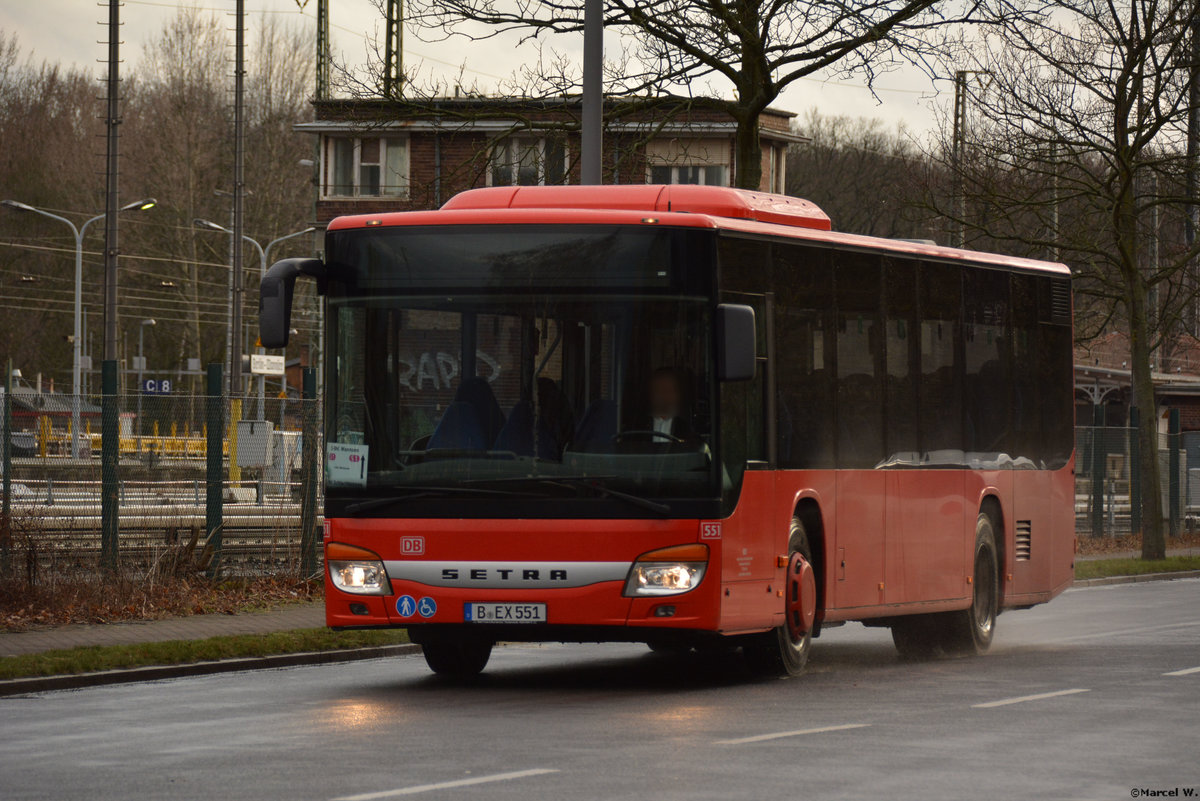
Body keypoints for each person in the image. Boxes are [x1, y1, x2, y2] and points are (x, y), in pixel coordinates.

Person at [647, 367, 692, 439]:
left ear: (677, 394)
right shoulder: (639, 426)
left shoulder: (688, 427)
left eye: (668, 390)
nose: (663, 396)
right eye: (658, 390)